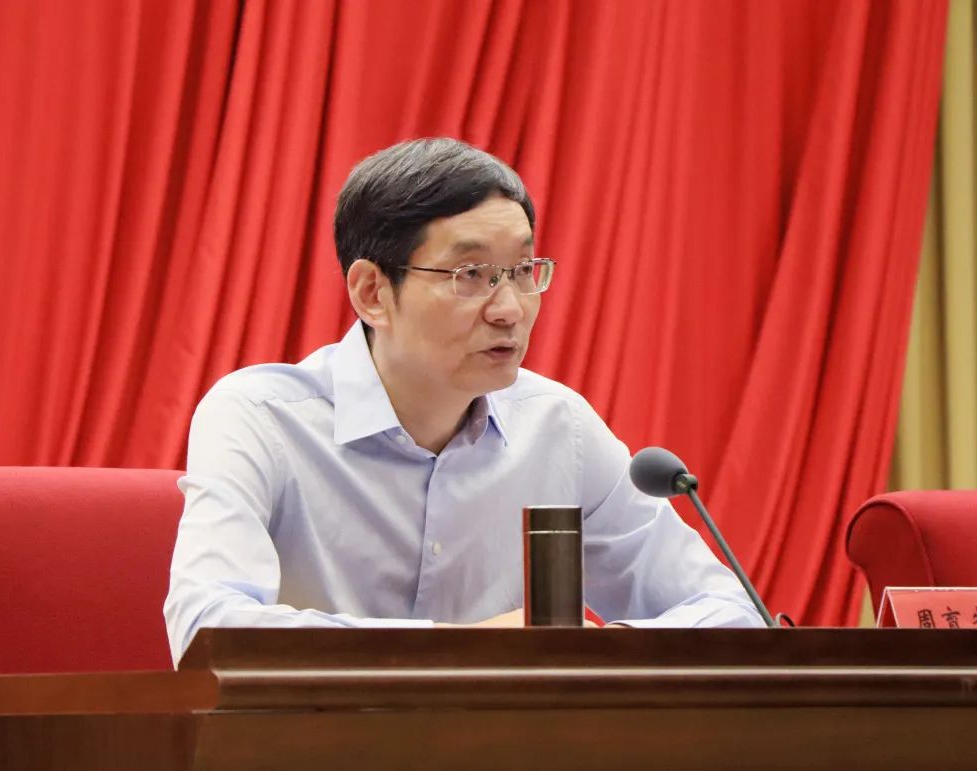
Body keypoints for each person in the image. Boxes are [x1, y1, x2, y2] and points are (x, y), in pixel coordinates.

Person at [163, 138, 763, 665]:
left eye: (523, 270)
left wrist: (602, 649)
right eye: (470, 274)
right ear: (372, 292)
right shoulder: (260, 418)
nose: (509, 309)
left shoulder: (559, 427)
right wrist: (468, 647)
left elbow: (732, 613)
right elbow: (207, 629)